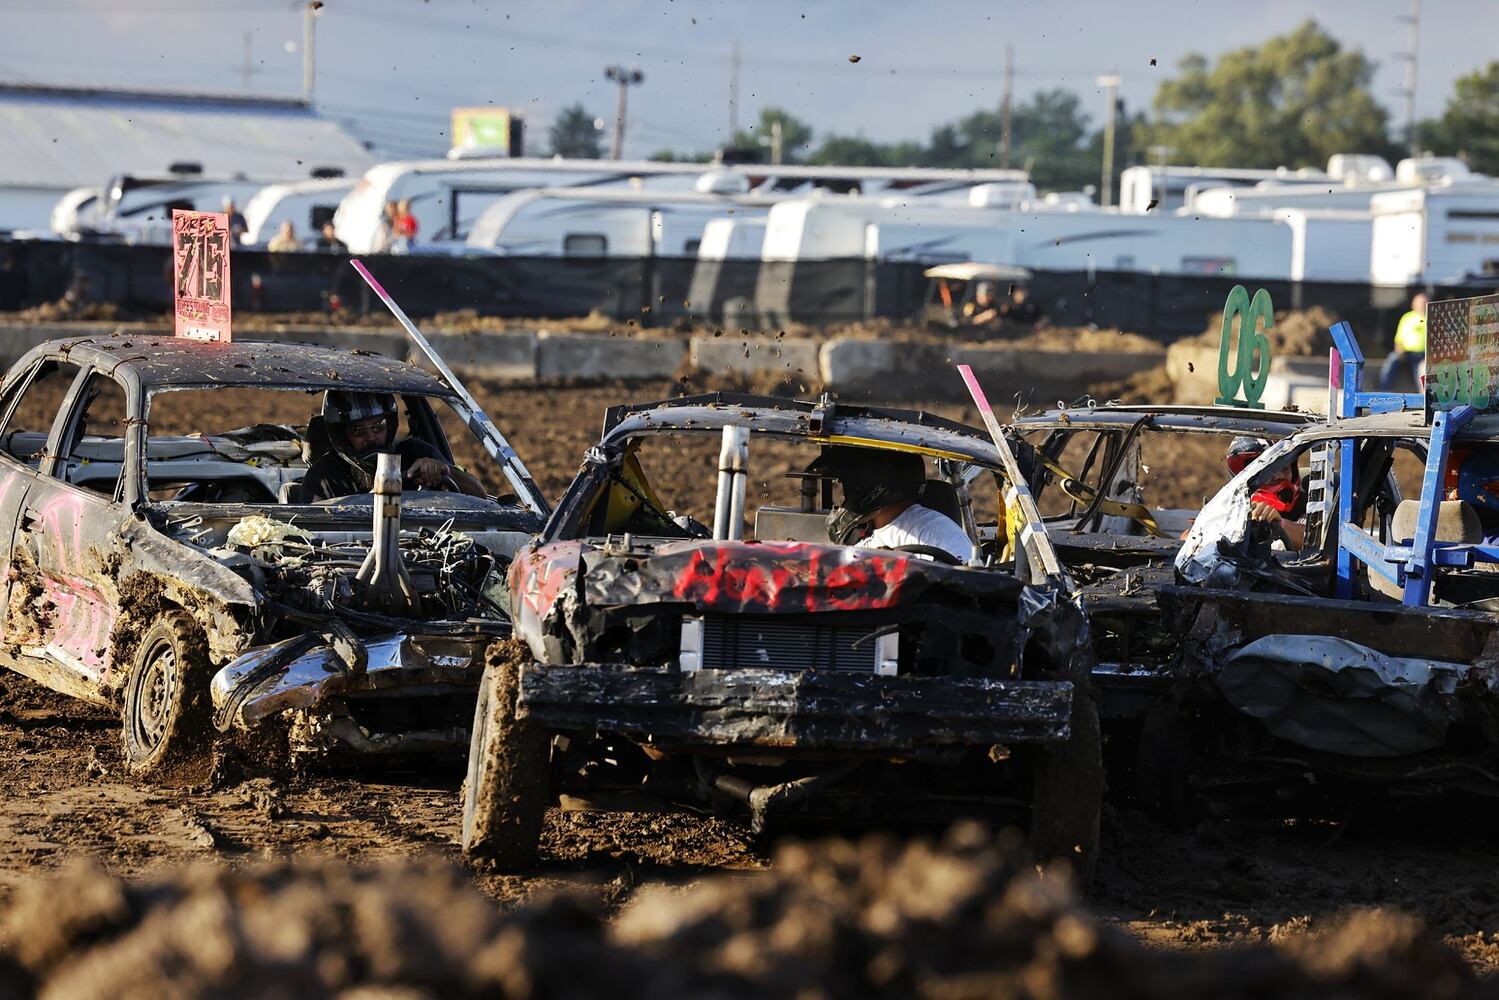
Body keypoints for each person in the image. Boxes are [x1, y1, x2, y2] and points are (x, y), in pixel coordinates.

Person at [296, 391, 486, 502]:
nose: (371, 438)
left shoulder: (417, 452)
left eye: (379, 427)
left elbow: (479, 495)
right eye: (358, 431)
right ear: (342, 435)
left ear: (391, 424)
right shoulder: (323, 477)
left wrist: (445, 472)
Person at [805, 445, 972, 563]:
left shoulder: (939, 533)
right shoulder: (862, 537)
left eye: (846, 488)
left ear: (870, 488)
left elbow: (967, 584)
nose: (842, 500)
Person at [1226, 436, 1305, 551]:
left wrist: (1280, 523)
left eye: (1285, 468)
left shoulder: (1311, 505)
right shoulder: (1226, 512)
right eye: (1268, 470)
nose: (1279, 476)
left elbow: (1319, 541)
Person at [1379, 292, 1427, 391]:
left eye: (1424, 303)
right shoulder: (1407, 317)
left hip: (1424, 355)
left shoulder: (1432, 317)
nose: (1422, 305)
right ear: (1414, 304)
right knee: (1392, 360)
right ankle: (1384, 391)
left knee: (1423, 370)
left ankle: (1424, 397)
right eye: (1420, 303)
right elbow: (1399, 339)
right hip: (1406, 353)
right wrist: (1400, 352)